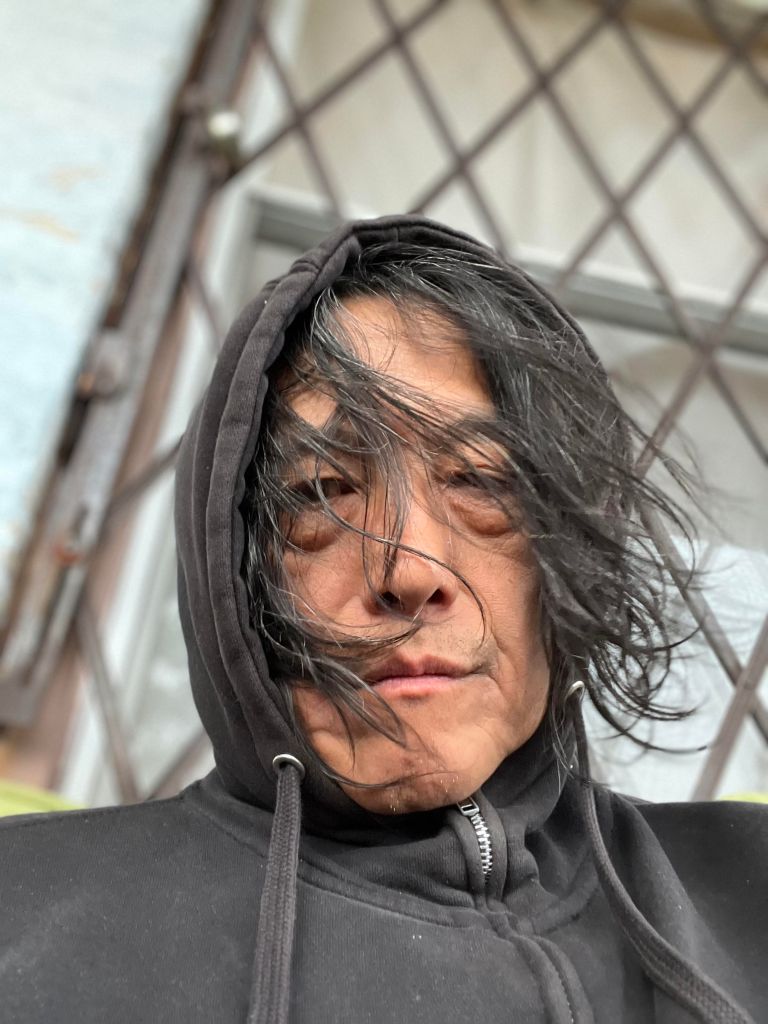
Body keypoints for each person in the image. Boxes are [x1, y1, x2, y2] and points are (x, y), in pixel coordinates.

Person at [0, 214, 765, 1023]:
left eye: (480, 481)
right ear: (231, 562)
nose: (411, 571)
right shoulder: (29, 916)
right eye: (322, 492)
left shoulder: (744, 892)